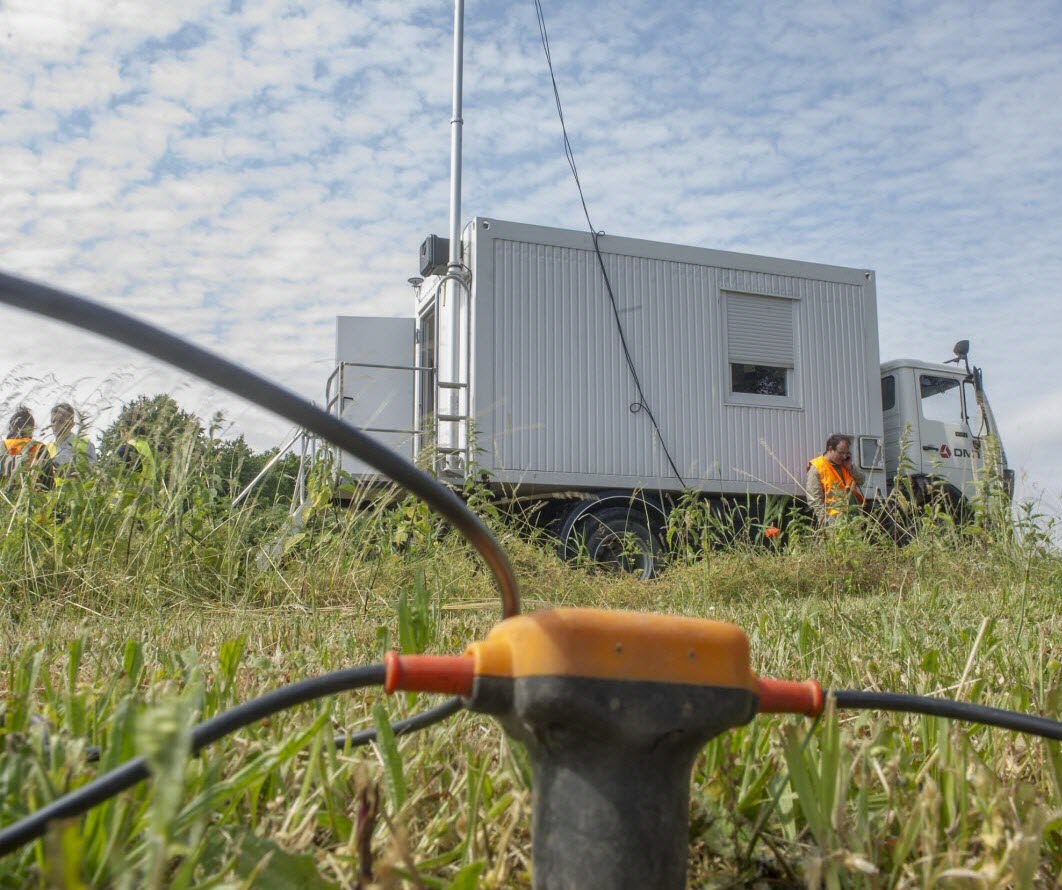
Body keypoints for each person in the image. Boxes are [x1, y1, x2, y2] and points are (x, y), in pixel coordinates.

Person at [806, 434, 865, 525]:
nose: (844, 456)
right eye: (841, 453)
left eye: (847, 453)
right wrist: (826, 523)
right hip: (834, 522)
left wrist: (851, 468)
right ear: (830, 449)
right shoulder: (817, 468)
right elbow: (814, 501)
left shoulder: (846, 464)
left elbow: (862, 480)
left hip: (854, 516)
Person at [46, 402, 98, 471]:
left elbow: (93, 473)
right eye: (53, 421)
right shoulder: (47, 448)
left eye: (61, 421)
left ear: (72, 425)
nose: (55, 425)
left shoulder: (86, 444)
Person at [2, 405, 47, 479]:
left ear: (11, 427)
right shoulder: (39, 447)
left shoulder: (3, 445)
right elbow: (48, 482)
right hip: (31, 489)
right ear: (32, 429)